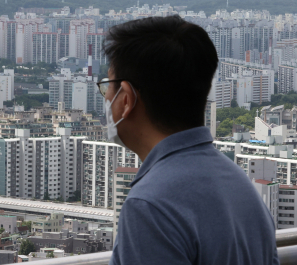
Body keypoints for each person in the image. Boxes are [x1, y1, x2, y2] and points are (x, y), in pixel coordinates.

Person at [101, 15, 278, 264]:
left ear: (127, 99)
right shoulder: (241, 186)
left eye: (108, 86)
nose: (106, 98)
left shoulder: (150, 205)